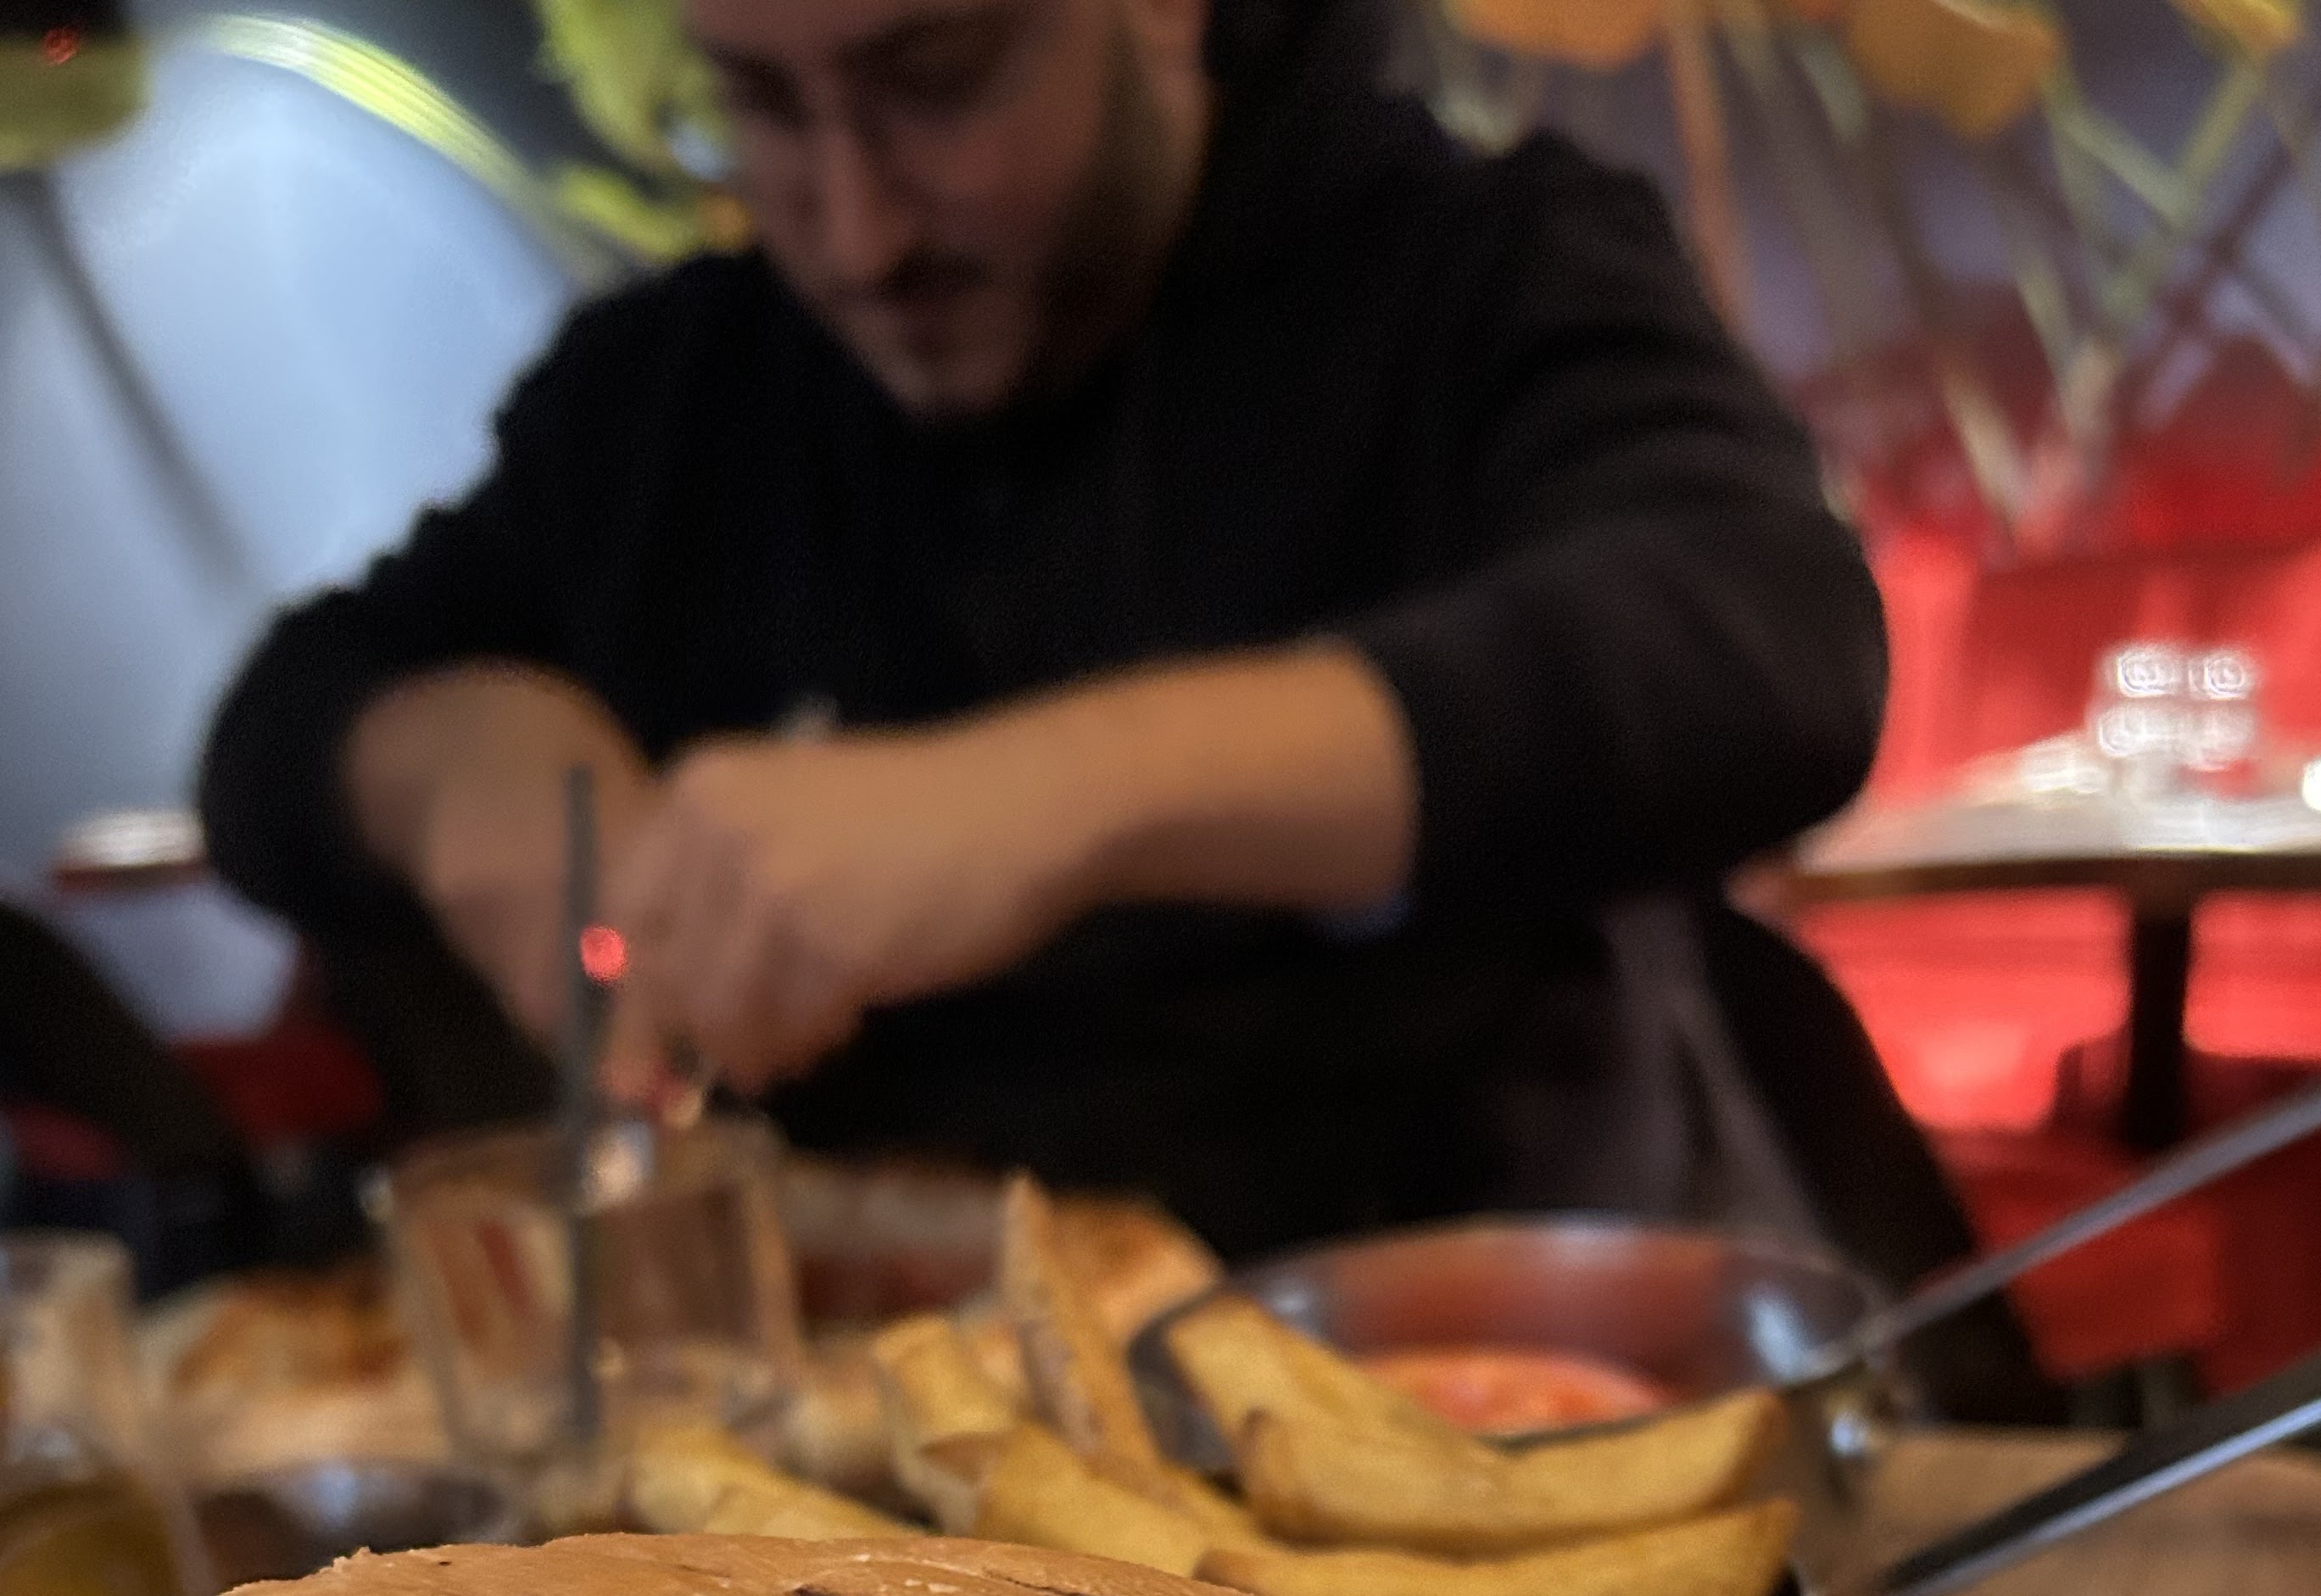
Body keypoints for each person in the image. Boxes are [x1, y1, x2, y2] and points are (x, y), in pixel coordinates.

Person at [204, 0, 2002, 1321]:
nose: (857, 227)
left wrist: (1048, 802)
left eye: (938, 80)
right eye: (762, 107)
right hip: (885, 1464)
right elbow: (280, 733)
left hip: (1447, 1352)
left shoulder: (1469, 266)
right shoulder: (666, 400)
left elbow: (1764, 640)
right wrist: (456, 765)